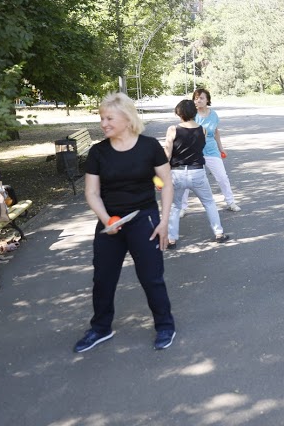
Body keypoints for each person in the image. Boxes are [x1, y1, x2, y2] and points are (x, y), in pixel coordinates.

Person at [75, 92, 177, 353]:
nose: (103, 123)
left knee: (151, 277)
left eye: (109, 117)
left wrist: (164, 221)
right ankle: (100, 328)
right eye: (101, 118)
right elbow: (92, 192)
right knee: (103, 278)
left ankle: (165, 325)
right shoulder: (98, 152)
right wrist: (106, 219)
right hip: (110, 222)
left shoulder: (149, 147)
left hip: (144, 218)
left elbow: (165, 184)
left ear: (127, 118)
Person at [163, 99, 227, 249]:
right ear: (194, 112)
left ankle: (172, 239)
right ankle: (219, 233)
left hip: (177, 173)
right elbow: (199, 147)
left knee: (175, 206)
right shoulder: (202, 130)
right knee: (209, 202)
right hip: (197, 171)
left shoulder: (173, 130)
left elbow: (167, 155)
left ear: (178, 113)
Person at [178, 88, 240, 216]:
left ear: (207, 100)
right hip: (194, 151)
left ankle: (230, 202)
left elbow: (216, 132)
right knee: (186, 179)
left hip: (211, 150)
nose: (198, 100)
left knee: (222, 177)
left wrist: (221, 149)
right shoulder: (191, 114)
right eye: (196, 98)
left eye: (201, 98)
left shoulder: (213, 115)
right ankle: (182, 207)